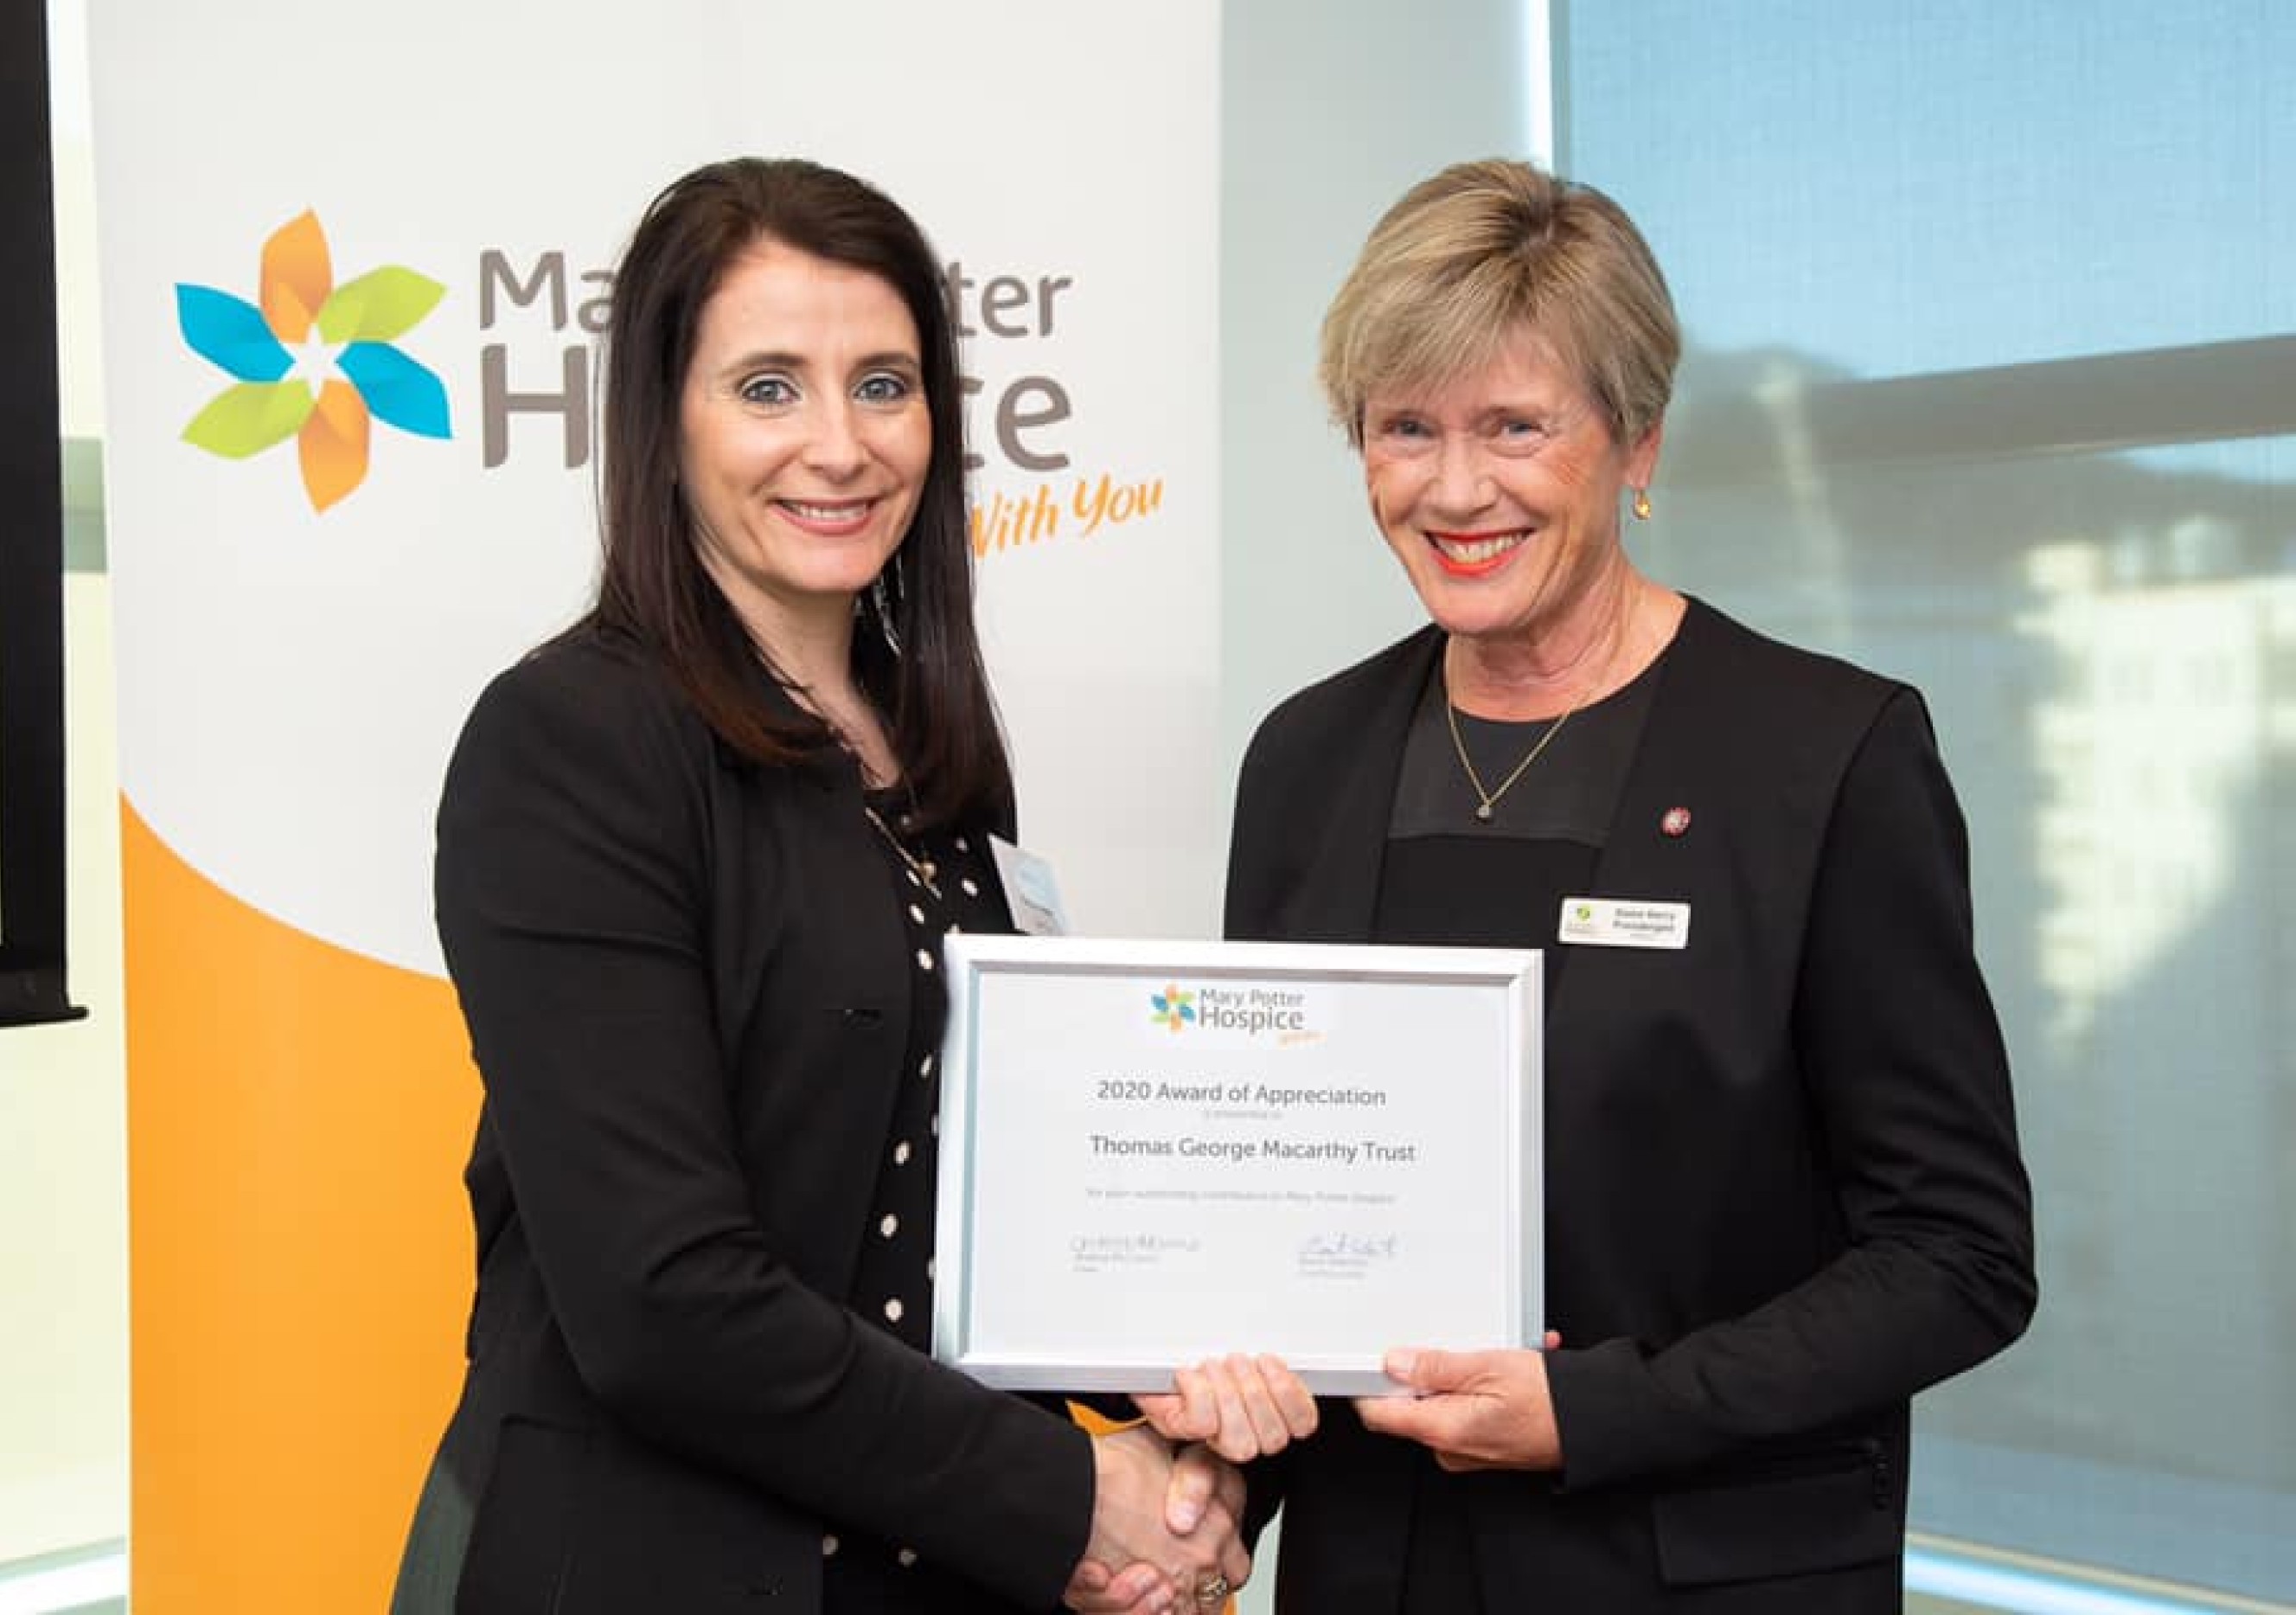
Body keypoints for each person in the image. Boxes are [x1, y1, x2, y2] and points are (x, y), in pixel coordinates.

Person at [1154, 158, 2038, 1611]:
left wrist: (1602, 1411)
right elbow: (1282, 1214)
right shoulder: (1307, 757)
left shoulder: (1828, 755)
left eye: (1516, 426)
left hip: (1702, 1569)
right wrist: (1210, 1488)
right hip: (1379, 1570)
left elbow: (1958, 1257)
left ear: (1636, 443)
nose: (1455, 488)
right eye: (1405, 429)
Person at [389, 157, 1249, 1615]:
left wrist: (1187, 1411)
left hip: (914, 1559)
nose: (840, 447)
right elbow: (664, 1308)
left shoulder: (933, 746)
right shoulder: (574, 743)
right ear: (664, 421)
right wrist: (1064, 1498)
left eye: (886, 385)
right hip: (652, 1566)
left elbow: (941, 1225)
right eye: (770, 387)